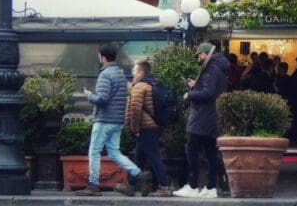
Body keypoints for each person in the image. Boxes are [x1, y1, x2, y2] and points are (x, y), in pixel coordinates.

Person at [76, 44, 149, 197]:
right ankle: (138, 173)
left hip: (104, 120)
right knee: (114, 152)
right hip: (117, 121)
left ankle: (93, 185)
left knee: (94, 151)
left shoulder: (105, 74)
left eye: (99, 56)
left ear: (103, 57)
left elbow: (102, 99)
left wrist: (89, 95)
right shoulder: (120, 74)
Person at [173, 42, 230, 199]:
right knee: (211, 153)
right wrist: (195, 85)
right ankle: (210, 187)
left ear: (205, 54)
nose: (197, 58)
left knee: (191, 150)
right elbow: (209, 89)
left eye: (199, 55)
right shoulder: (217, 68)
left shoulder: (210, 69)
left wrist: (189, 95)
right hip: (210, 117)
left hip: (201, 118)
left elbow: (208, 92)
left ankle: (192, 186)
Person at [124, 59, 171, 197]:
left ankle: (164, 186)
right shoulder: (152, 84)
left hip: (145, 127)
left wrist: (134, 128)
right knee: (139, 156)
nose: (132, 73)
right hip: (153, 126)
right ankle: (130, 184)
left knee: (154, 155)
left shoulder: (140, 86)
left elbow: (135, 109)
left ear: (140, 72)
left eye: (134, 70)